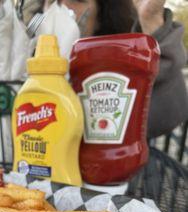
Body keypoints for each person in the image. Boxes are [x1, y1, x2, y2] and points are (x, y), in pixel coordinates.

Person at [61, 0, 188, 139]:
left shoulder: (114, 67)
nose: (62, 6)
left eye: (78, 0)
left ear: (100, 16)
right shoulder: (33, 60)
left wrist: (151, 21)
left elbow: (169, 113)